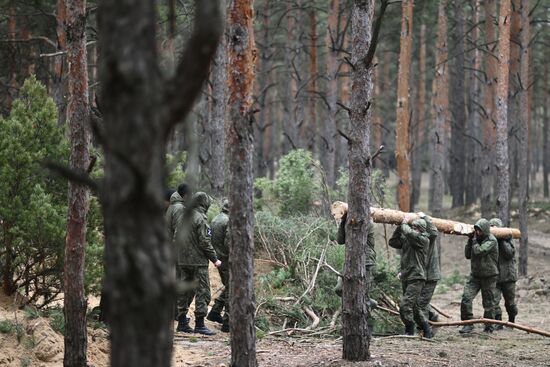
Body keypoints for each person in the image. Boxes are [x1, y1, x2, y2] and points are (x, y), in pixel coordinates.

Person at [174, 192, 222, 335]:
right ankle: (200, 324)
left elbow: (176, 237)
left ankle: (182, 322)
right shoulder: (201, 218)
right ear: (204, 203)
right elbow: (205, 242)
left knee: (184, 291)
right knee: (203, 292)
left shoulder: (183, 216)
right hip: (198, 262)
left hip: (182, 261)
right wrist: (215, 259)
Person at [332, 203, 377, 336]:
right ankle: (371, 303)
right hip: (350, 261)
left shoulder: (366, 222)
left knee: (362, 296)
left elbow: (357, 232)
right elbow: (340, 240)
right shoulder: (349, 222)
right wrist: (343, 221)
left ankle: (368, 329)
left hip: (366, 262)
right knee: (339, 289)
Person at [389, 215, 429, 336]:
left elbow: (410, 233)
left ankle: (409, 329)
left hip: (417, 277)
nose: (413, 229)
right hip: (407, 276)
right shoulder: (409, 239)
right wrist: (398, 228)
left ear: (421, 230)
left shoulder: (423, 239)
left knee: (405, 305)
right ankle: (426, 329)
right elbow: (393, 242)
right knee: (415, 308)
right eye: (413, 227)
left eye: (415, 227)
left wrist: (404, 223)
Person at [459, 218, 499, 334]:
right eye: (476, 230)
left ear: (485, 230)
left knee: (488, 302)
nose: (477, 233)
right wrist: (470, 241)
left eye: (479, 230)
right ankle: (467, 324)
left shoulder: (492, 240)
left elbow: (479, 251)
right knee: (466, 298)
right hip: (475, 276)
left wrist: (475, 241)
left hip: (489, 276)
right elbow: (468, 255)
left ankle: (489, 326)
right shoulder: (475, 240)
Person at [206, 199, 230, 333]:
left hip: (218, 258)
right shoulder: (228, 221)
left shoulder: (216, 219)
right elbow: (229, 243)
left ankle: (215, 312)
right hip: (227, 259)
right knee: (232, 290)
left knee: (229, 286)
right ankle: (228, 322)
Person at [489, 218, 518, 329]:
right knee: (494, 301)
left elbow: (509, 254)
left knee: (510, 303)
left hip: (508, 277)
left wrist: (501, 240)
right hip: (495, 276)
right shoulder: (489, 240)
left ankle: (512, 320)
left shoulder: (508, 239)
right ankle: (498, 321)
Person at [415, 212, 439, 338]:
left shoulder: (429, 238)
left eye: (417, 228)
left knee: (421, 303)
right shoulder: (417, 240)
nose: (415, 231)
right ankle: (432, 317)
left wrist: (425, 217)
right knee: (418, 302)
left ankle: (424, 332)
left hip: (430, 275)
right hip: (421, 274)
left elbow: (434, 231)